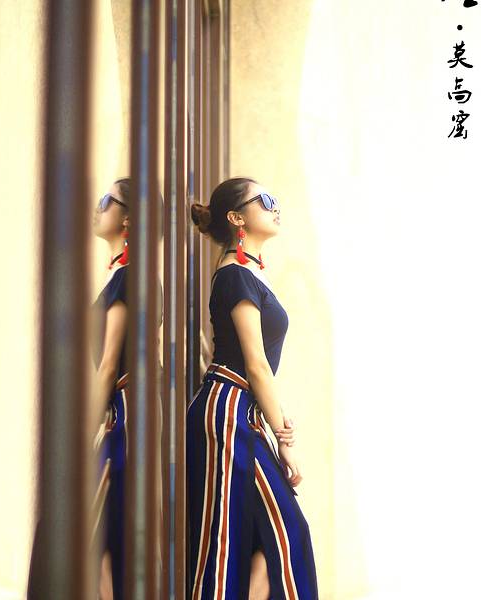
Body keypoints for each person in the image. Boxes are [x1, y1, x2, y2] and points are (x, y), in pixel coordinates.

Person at [187, 177, 319, 599]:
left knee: (276, 537)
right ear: (236, 218)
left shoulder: (247, 274)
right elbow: (256, 365)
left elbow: (261, 373)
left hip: (243, 412)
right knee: (227, 542)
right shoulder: (234, 276)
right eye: (264, 200)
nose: (274, 206)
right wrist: (284, 440)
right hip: (227, 413)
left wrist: (275, 417)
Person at [90, 177, 163, 599]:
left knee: (99, 523)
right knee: (105, 529)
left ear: (129, 219)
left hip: (126, 409)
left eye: (106, 200)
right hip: (125, 409)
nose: (96, 208)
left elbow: (107, 366)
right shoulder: (125, 275)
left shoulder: (129, 277)